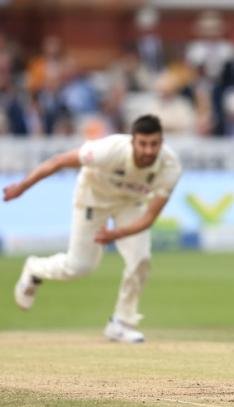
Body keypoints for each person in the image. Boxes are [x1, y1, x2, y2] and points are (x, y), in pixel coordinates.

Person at [3, 115, 181, 343]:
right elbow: (58, 161)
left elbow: (149, 217)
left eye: (154, 144)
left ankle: (121, 323)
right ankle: (34, 268)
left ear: (162, 142)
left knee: (141, 259)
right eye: (143, 144)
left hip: (130, 204)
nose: (148, 150)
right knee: (79, 267)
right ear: (132, 142)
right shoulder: (109, 149)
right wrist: (22, 186)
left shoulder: (170, 166)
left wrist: (116, 234)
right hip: (92, 198)